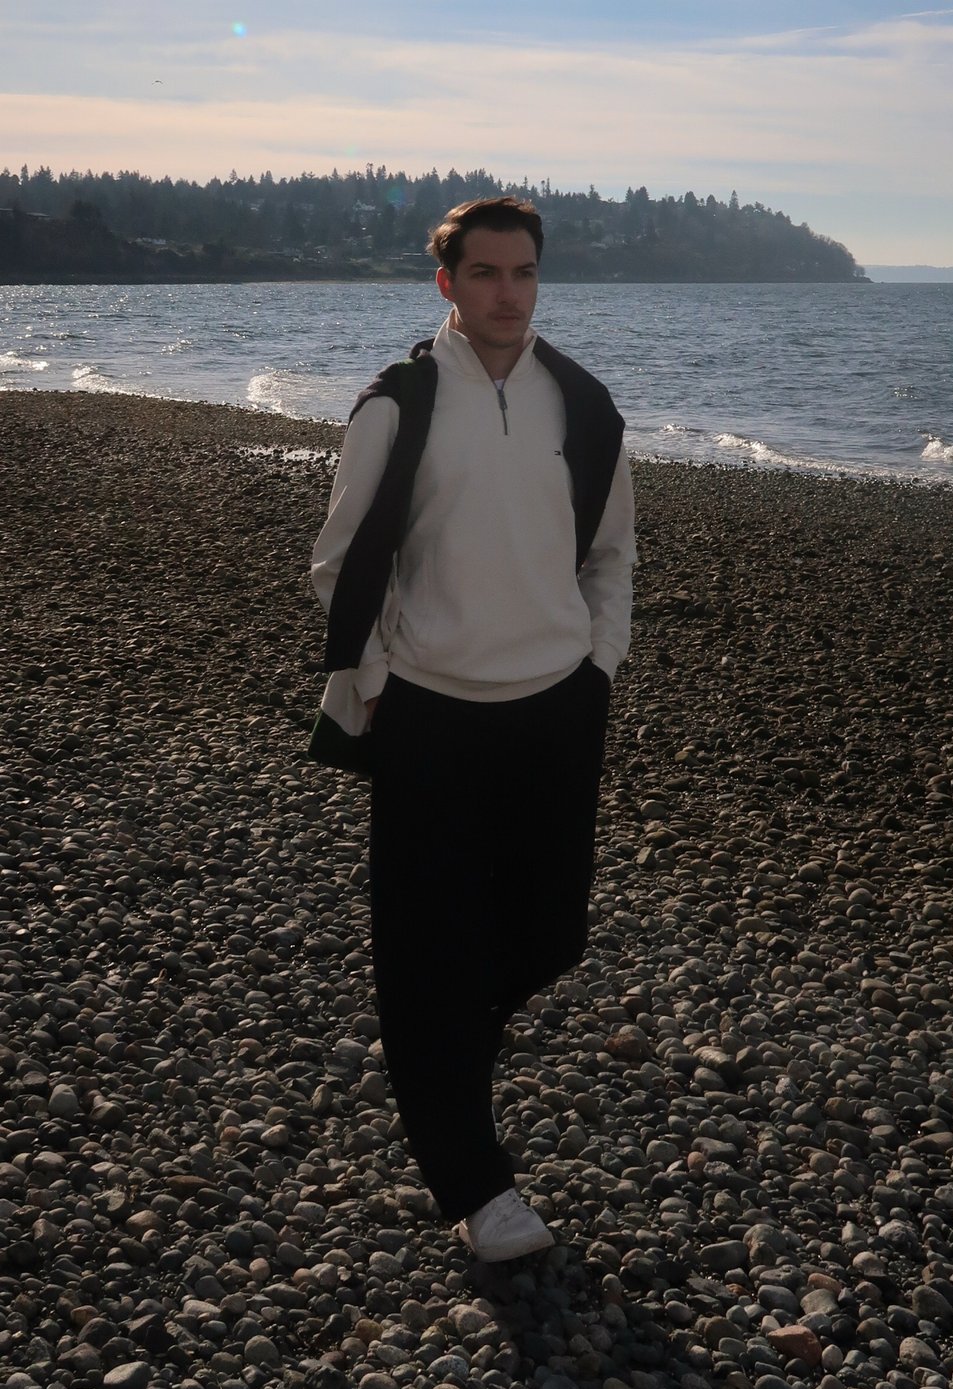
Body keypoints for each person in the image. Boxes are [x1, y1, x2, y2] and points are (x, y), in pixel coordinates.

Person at [311, 197, 635, 1262]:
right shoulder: (398, 404)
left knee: (549, 933)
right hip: (432, 711)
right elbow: (341, 559)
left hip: (555, 702)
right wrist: (379, 679)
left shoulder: (581, 406)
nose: (508, 293)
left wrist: (597, 661)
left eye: (524, 273)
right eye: (486, 273)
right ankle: (472, 1178)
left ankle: (446, 1052)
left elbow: (609, 557)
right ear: (445, 284)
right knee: (426, 948)